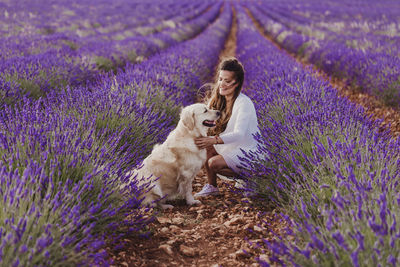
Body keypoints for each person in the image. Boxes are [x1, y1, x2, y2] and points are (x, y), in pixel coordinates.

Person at [194, 57, 259, 197]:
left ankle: (251, 179)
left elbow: (239, 134)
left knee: (213, 163)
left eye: (227, 81)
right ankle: (212, 187)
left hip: (247, 151)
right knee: (204, 143)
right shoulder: (218, 100)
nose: (222, 84)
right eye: (220, 79)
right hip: (229, 147)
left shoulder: (244, 103)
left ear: (237, 83)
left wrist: (214, 140)